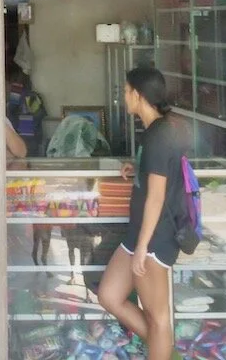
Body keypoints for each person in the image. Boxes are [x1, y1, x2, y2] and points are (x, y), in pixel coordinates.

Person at [96, 66, 188, 360]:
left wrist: (143, 247)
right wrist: (138, 168)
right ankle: (165, 350)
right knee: (109, 295)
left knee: (158, 318)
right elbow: (160, 173)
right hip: (139, 234)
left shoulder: (160, 135)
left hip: (154, 238)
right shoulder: (155, 132)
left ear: (138, 95)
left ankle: (164, 350)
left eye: (126, 91)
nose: (123, 97)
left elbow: (156, 197)